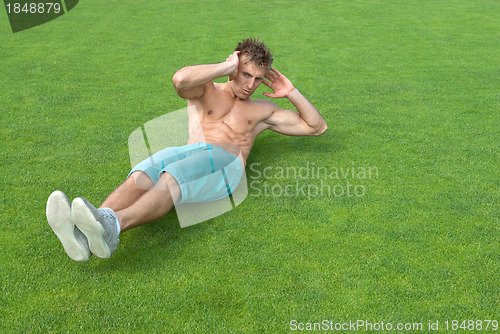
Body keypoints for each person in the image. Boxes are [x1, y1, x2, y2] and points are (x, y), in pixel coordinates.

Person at [46, 38, 327, 262]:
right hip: (196, 152)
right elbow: (180, 80)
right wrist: (225, 67)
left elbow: (316, 127)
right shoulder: (206, 90)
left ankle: (113, 225)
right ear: (234, 64)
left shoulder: (263, 111)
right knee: (155, 162)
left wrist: (291, 92)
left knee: (174, 173)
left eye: (257, 78)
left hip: (226, 166)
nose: (250, 85)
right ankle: (86, 234)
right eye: (245, 74)